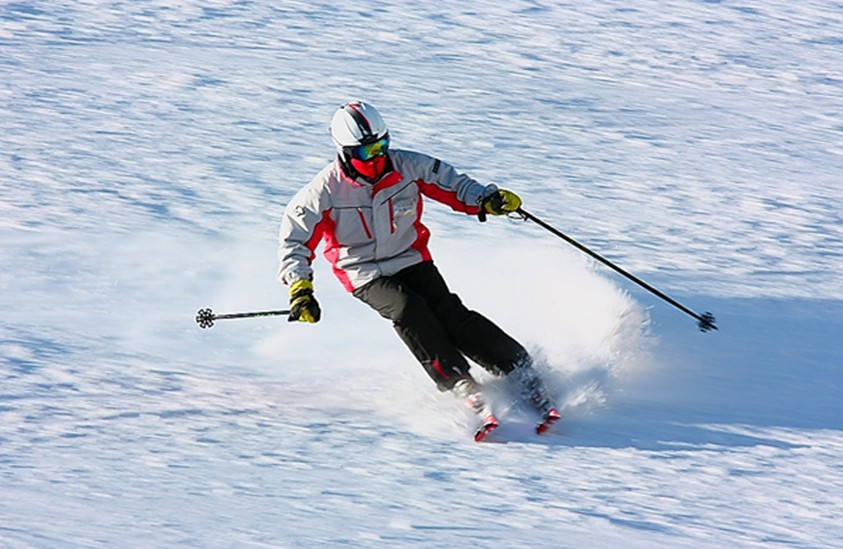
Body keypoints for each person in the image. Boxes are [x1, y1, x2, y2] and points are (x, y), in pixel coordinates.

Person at [277, 101, 560, 440]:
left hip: (410, 256)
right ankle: (461, 384)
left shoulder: (407, 166)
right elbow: (295, 240)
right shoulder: (323, 191)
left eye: (382, 146)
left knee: (451, 314)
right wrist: (300, 289)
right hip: (363, 271)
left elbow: (453, 184)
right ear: (346, 153)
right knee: (409, 309)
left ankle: (519, 370)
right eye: (366, 152)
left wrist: (487, 199)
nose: (377, 157)